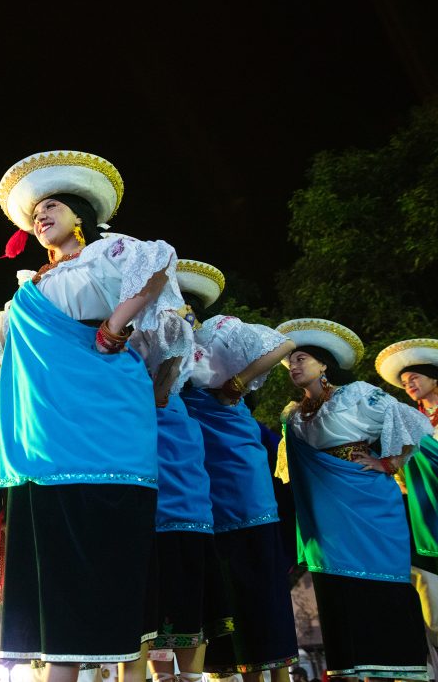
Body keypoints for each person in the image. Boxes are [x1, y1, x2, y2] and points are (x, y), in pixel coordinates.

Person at [0, 150, 183, 682]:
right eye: (35, 214)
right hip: (47, 444)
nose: (41, 217)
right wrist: (45, 386)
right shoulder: (30, 290)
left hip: (108, 423)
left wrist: (115, 325)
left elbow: (159, 262)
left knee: (108, 550)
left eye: (52, 206)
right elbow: (1, 359)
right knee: (59, 570)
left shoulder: (109, 254)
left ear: (78, 215)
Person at [276, 318, 430, 681]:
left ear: (324, 364)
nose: (294, 367)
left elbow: (414, 424)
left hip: (368, 505)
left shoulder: (357, 396)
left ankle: (402, 669)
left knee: (381, 586)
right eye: (290, 362)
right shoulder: (293, 416)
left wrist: (387, 462)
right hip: (326, 517)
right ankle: (351, 670)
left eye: (301, 359)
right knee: (337, 590)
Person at [178, 275, 298, 681]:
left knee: (257, 575)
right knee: (221, 584)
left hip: (238, 465)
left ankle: (277, 674)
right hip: (196, 473)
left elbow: (283, 345)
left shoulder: (216, 333)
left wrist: (239, 383)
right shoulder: (161, 342)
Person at [131, 259, 227, 682]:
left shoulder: (188, 337)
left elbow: (173, 383)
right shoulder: (131, 328)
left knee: (183, 560)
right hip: (132, 436)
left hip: (171, 431)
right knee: (147, 580)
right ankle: (159, 675)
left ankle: (188, 676)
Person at [376, 338, 438, 677]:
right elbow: (399, 472)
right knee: (433, 617)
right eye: (404, 382)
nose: (409, 384)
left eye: (414, 376)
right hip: (423, 527)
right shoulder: (409, 424)